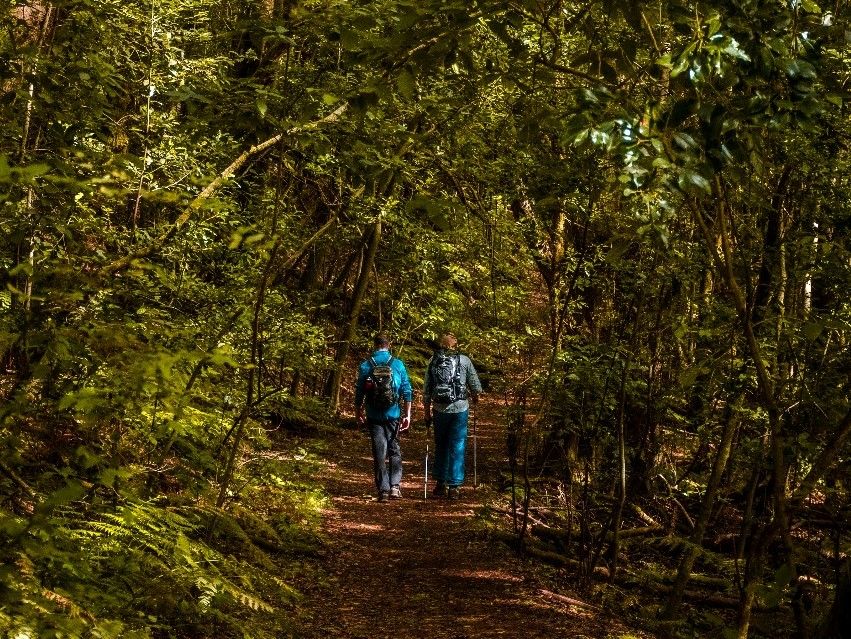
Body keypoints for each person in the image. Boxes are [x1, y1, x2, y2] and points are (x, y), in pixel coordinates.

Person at [423, 333, 482, 500]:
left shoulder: (433, 361)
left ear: (441, 345)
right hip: (460, 409)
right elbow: (476, 387)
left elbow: (427, 389)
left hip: (439, 409)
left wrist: (427, 412)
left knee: (441, 445)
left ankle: (440, 484)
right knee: (457, 445)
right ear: (456, 345)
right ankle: (454, 487)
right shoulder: (464, 360)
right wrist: (475, 397)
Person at [355, 333, 412, 502]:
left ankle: (383, 491)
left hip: (373, 414)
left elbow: (359, 392)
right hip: (393, 413)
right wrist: (407, 414)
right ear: (389, 345)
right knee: (394, 449)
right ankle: (395, 487)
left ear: (374, 345)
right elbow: (407, 390)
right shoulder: (397, 364)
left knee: (379, 451)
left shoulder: (366, 365)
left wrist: (357, 412)